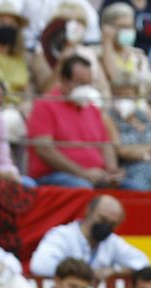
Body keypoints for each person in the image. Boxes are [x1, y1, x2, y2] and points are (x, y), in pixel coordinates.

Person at [26, 54, 122, 188]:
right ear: (64, 80)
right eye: (81, 83)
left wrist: (112, 170)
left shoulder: (92, 109)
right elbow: (44, 150)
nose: (86, 89)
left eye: (89, 84)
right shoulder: (44, 105)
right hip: (55, 176)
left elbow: (105, 145)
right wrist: (82, 173)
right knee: (82, 186)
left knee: (135, 189)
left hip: (96, 175)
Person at [30, 196, 151, 279]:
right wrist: (83, 274)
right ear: (88, 212)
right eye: (102, 219)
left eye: (112, 224)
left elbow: (144, 264)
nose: (106, 226)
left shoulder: (111, 241)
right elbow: (40, 266)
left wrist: (114, 271)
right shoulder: (62, 235)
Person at [109, 75, 151, 191]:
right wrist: (149, 153)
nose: (125, 99)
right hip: (131, 169)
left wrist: (141, 152)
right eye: (121, 95)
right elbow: (122, 150)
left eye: (129, 95)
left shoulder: (143, 115)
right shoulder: (110, 118)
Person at [99, 2, 151, 94]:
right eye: (122, 26)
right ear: (107, 28)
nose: (128, 31)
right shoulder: (99, 55)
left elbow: (145, 89)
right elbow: (116, 80)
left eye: (130, 26)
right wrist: (107, 42)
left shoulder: (138, 56)